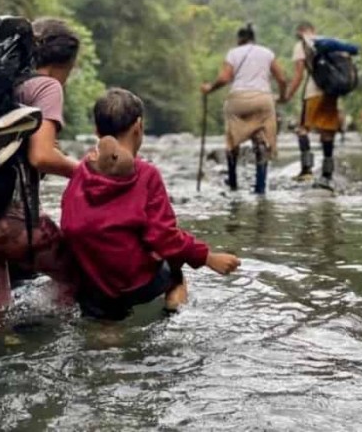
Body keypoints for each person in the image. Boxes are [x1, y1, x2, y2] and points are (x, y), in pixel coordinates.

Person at [61, 88, 241, 320]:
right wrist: (208, 258)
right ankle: (172, 309)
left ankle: (108, 331)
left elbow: (69, 220)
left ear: (97, 131)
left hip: (92, 285)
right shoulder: (145, 174)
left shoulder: (82, 170)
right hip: (135, 284)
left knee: (105, 329)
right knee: (176, 269)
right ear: (139, 126)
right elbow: (164, 236)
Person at [0, 18, 82, 314]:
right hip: (6, 220)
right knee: (80, 277)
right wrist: (88, 171)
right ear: (65, 64)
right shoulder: (47, 86)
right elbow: (42, 156)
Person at [201, 23, 287, 194]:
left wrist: (210, 88)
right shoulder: (267, 53)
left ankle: (233, 184)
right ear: (254, 38)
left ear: (239, 39)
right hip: (263, 99)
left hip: (238, 99)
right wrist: (283, 97)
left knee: (232, 141)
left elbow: (225, 78)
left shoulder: (233, 53)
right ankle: (260, 187)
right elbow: (282, 79)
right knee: (261, 141)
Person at [283, 21, 355, 190]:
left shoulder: (302, 45)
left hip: (313, 92)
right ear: (313, 30)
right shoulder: (329, 43)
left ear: (300, 32)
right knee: (328, 133)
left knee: (302, 129)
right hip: (331, 92)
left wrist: (288, 95)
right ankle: (327, 174)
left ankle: (306, 170)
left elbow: (299, 75)